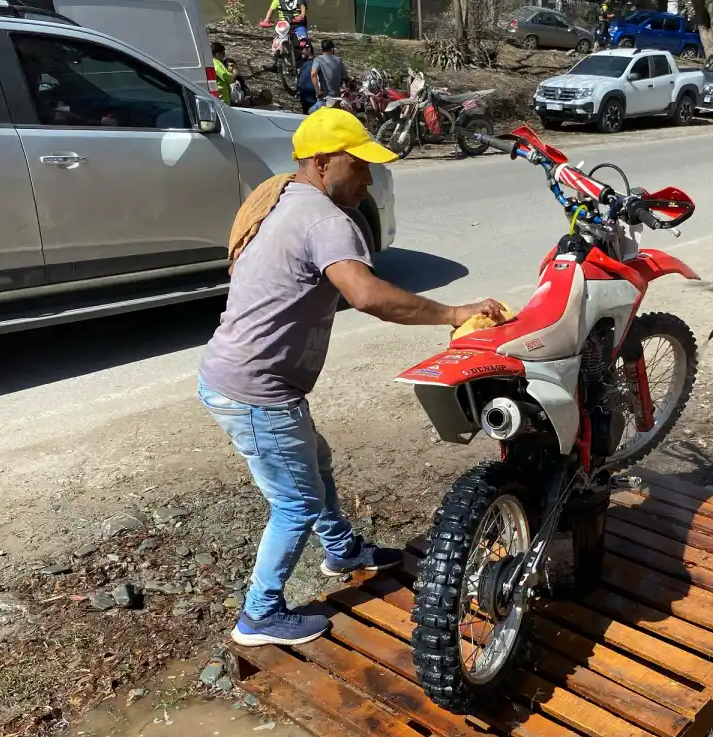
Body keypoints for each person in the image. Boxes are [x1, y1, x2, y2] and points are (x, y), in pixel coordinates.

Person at [197, 108, 506, 647]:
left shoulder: (282, 198)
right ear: (321, 162)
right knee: (295, 503)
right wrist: (454, 313)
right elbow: (367, 295)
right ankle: (259, 614)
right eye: (358, 165)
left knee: (314, 461)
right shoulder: (323, 220)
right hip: (256, 392)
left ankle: (342, 550)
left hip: (245, 380)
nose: (367, 178)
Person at [309, 39, 345, 112]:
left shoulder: (318, 59)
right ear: (332, 49)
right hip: (337, 100)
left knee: (310, 112)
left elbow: (313, 74)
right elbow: (345, 77)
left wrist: (318, 91)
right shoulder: (339, 60)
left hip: (325, 100)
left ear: (322, 49)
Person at [296, 43, 317, 114]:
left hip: (312, 97)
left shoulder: (316, 63)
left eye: (302, 49)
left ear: (309, 49)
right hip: (304, 97)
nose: (300, 51)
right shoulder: (304, 63)